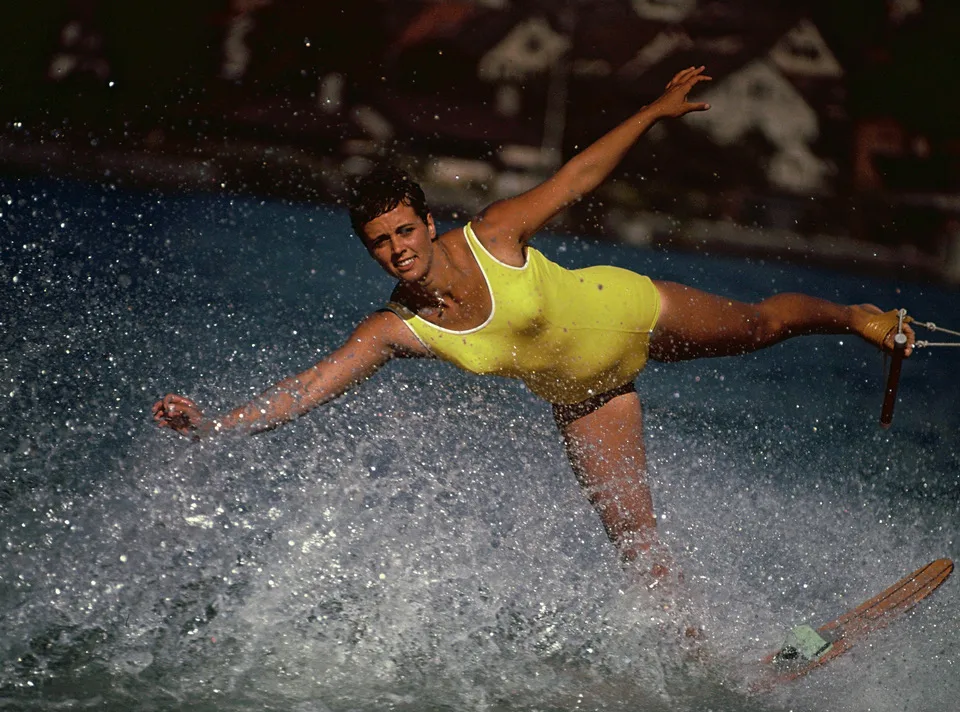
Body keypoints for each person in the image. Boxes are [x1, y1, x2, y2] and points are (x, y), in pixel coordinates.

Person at [153, 66, 914, 584]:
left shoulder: (493, 234)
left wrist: (651, 112)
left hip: (630, 309)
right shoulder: (394, 329)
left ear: (426, 220)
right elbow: (310, 387)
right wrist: (214, 426)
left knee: (756, 327)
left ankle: (858, 315)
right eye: (380, 244)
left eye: (405, 232)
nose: (397, 251)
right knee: (636, 545)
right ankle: (707, 668)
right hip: (588, 398)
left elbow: (579, 176)